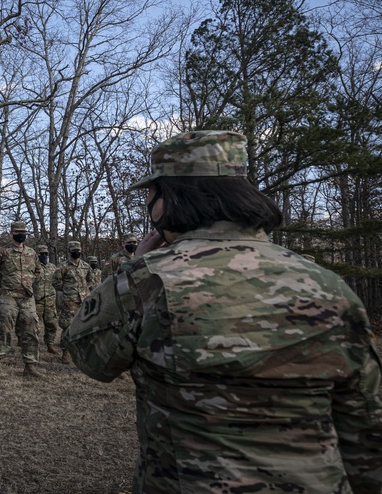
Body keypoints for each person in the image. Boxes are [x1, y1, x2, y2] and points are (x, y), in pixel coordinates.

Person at [62, 130, 382, 493]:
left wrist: (132, 272)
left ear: (172, 198)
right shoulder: (328, 284)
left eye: (151, 194)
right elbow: (366, 421)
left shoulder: (149, 280)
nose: (148, 204)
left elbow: (89, 356)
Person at [0, 220, 42, 378]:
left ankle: (30, 366)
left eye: (23, 232)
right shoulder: (3, 252)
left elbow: (38, 271)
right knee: (3, 329)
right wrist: (0, 280)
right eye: (17, 232)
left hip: (27, 297)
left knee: (31, 330)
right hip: (9, 296)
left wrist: (30, 281)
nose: (21, 235)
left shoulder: (31, 253)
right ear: (11, 233)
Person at [53, 240, 89, 364]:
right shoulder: (62, 267)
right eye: (73, 251)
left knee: (83, 326)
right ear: (69, 251)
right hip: (69, 301)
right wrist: (67, 290)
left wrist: (85, 291)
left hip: (83, 301)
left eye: (78, 250)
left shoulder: (85, 266)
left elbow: (89, 280)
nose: (76, 253)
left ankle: (80, 351)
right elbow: (55, 282)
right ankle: (65, 352)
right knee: (67, 326)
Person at [32, 243, 59, 355]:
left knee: (51, 324)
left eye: (46, 254)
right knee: (34, 326)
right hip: (36, 301)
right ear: (37, 254)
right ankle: (34, 346)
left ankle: (50, 344)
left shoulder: (53, 267)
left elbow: (58, 281)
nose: (44, 256)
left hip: (50, 301)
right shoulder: (32, 266)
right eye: (41, 254)